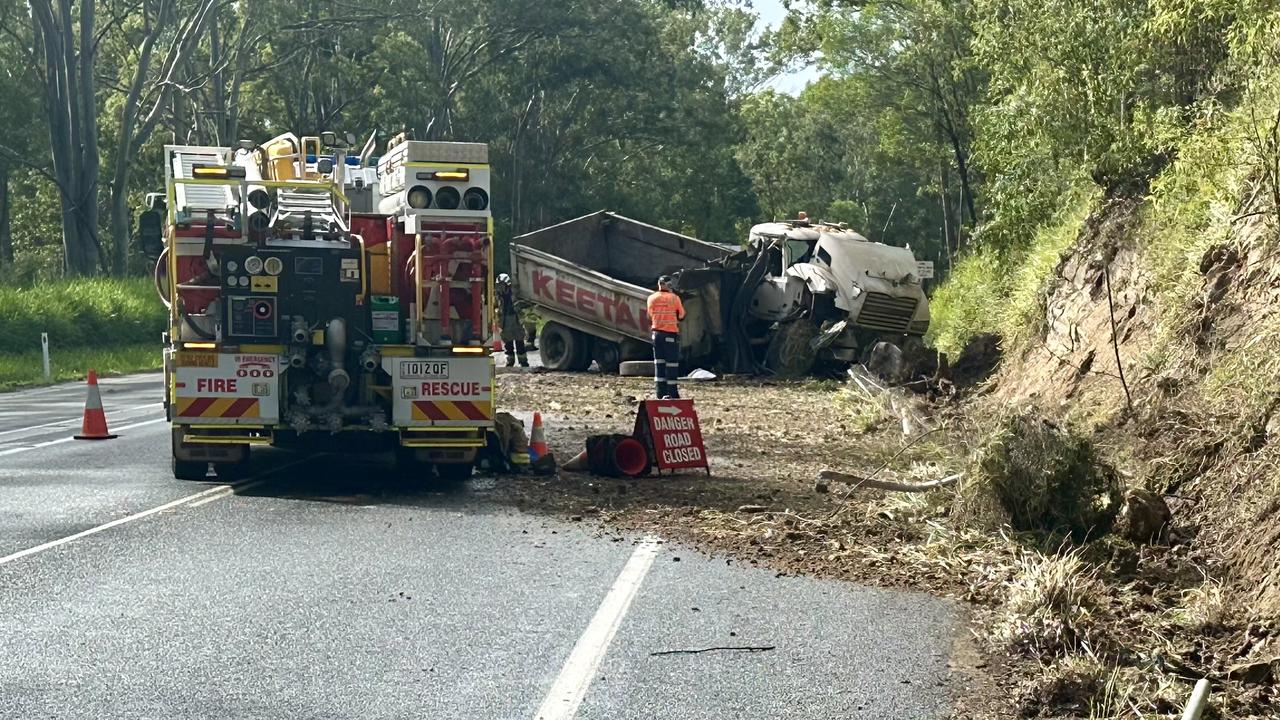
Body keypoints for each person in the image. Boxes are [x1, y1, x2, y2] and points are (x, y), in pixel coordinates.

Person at [646, 275, 685, 399]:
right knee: (672, 364)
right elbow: (682, 315)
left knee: (659, 363)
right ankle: (673, 393)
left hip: (656, 335)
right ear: (669, 285)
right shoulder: (674, 298)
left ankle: (660, 392)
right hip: (670, 334)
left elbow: (649, 316)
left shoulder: (651, 298)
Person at [495, 273, 528, 367]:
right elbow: (497, 308)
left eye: (502, 285)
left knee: (519, 342)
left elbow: (520, 307)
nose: (500, 288)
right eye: (499, 285)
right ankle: (510, 361)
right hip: (505, 321)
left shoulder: (514, 294)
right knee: (508, 343)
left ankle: (523, 362)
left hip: (515, 320)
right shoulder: (498, 297)